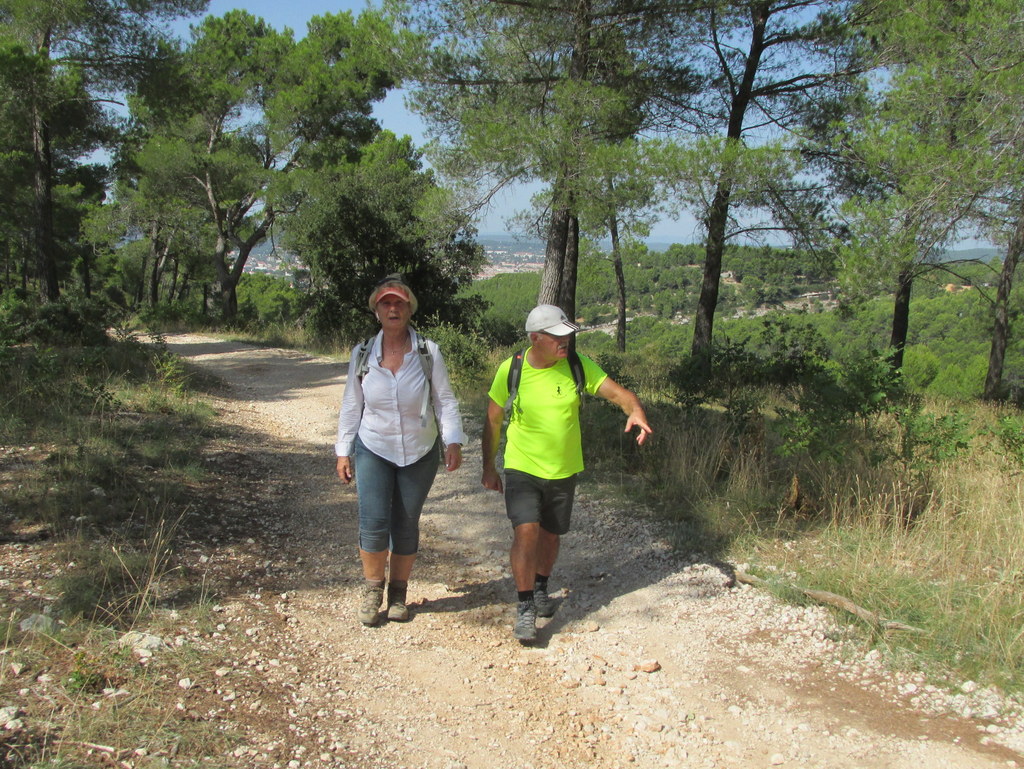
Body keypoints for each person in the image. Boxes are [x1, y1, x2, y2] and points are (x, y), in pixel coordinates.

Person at [481, 304, 652, 643]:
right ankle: (526, 606)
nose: (566, 341)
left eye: (568, 334)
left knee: (550, 534)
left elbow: (621, 395)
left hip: (563, 471)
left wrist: (637, 413)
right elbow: (493, 420)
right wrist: (488, 466)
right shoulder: (511, 370)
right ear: (535, 338)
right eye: (558, 336)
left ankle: (542, 585)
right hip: (521, 466)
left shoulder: (577, 365)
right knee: (526, 531)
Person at [336, 275, 465, 626]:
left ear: (410, 309)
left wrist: (453, 440)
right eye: (386, 303)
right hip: (374, 446)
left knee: (406, 524)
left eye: (400, 303)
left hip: (419, 450)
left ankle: (398, 594)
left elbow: (445, 400)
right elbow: (352, 404)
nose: (393, 309)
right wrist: (343, 450)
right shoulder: (362, 354)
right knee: (374, 523)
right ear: (376, 310)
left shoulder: (428, 351)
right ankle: (372, 590)